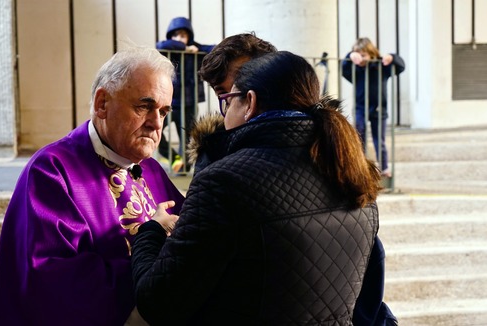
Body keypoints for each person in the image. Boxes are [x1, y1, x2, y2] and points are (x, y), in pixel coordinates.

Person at [131, 50, 384, 325]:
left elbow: (158, 302)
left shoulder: (223, 181)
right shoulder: (351, 170)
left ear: (249, 102)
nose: (224, 112)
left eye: (227, 100)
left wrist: (151, 230)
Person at [196, 33, 397, 325]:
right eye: (222, 94)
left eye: (241, 84)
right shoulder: (217, 159)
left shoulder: (333, 148)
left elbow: (367, 265)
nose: (232, 102)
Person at [0, 46, 185, 326]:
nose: (157, 124)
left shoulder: (153, 170)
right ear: (102, 104)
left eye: (164, 111)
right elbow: (54, 278)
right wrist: (157, 267)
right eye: (144, 106)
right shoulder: (52, 171)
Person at [155, 16, 215, 173]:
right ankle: (174, 158)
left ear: (190, 36)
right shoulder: (169, 49)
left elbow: (215, 48)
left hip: (188, 102)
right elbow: (159, 44)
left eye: (183, 35)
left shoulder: (195, 49)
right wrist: (183, 47)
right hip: (170, 102)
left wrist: (195, 48)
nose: (179, 38)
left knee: (187, 140)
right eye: (175, 35)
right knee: (157, 132)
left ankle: (182, 169)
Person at [342, 37, 405, 178]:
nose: (361, 59)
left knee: (379, 140)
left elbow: (400, 66)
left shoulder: (380, 66)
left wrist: (392, 57)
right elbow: (343, 69)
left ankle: (384, 168)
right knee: (359, 137)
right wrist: (349, 56)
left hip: (379, 109)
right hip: (360, 108)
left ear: (371, 53)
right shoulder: (355, 69)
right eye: (358, 54)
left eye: (364, 55)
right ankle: (361, 166)